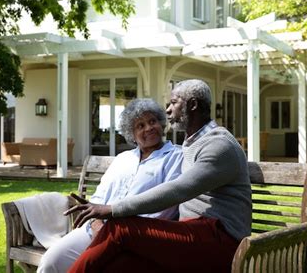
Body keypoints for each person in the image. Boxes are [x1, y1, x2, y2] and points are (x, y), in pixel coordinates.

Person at [66, 79, 252, 273]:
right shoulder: (192, 142)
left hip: (221, 240)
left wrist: (112, 209)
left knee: (120, 227)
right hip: (193, 234)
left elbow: (179, 190)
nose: (168, 110)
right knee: (116, 265)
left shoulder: (219, 146)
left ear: (193, 105)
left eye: (174, 102)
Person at [37, 98, 183, 273]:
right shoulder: (123, 159)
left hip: (135, 238)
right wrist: (96, 223)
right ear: (132, 135)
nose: (149, 128)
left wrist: (122, 231)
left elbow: (165, 209)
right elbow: (99, 197)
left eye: (152, 121)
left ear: (161, 123)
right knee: (51, 262)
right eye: (140, 126)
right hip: (96, 229)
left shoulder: (175, 157)